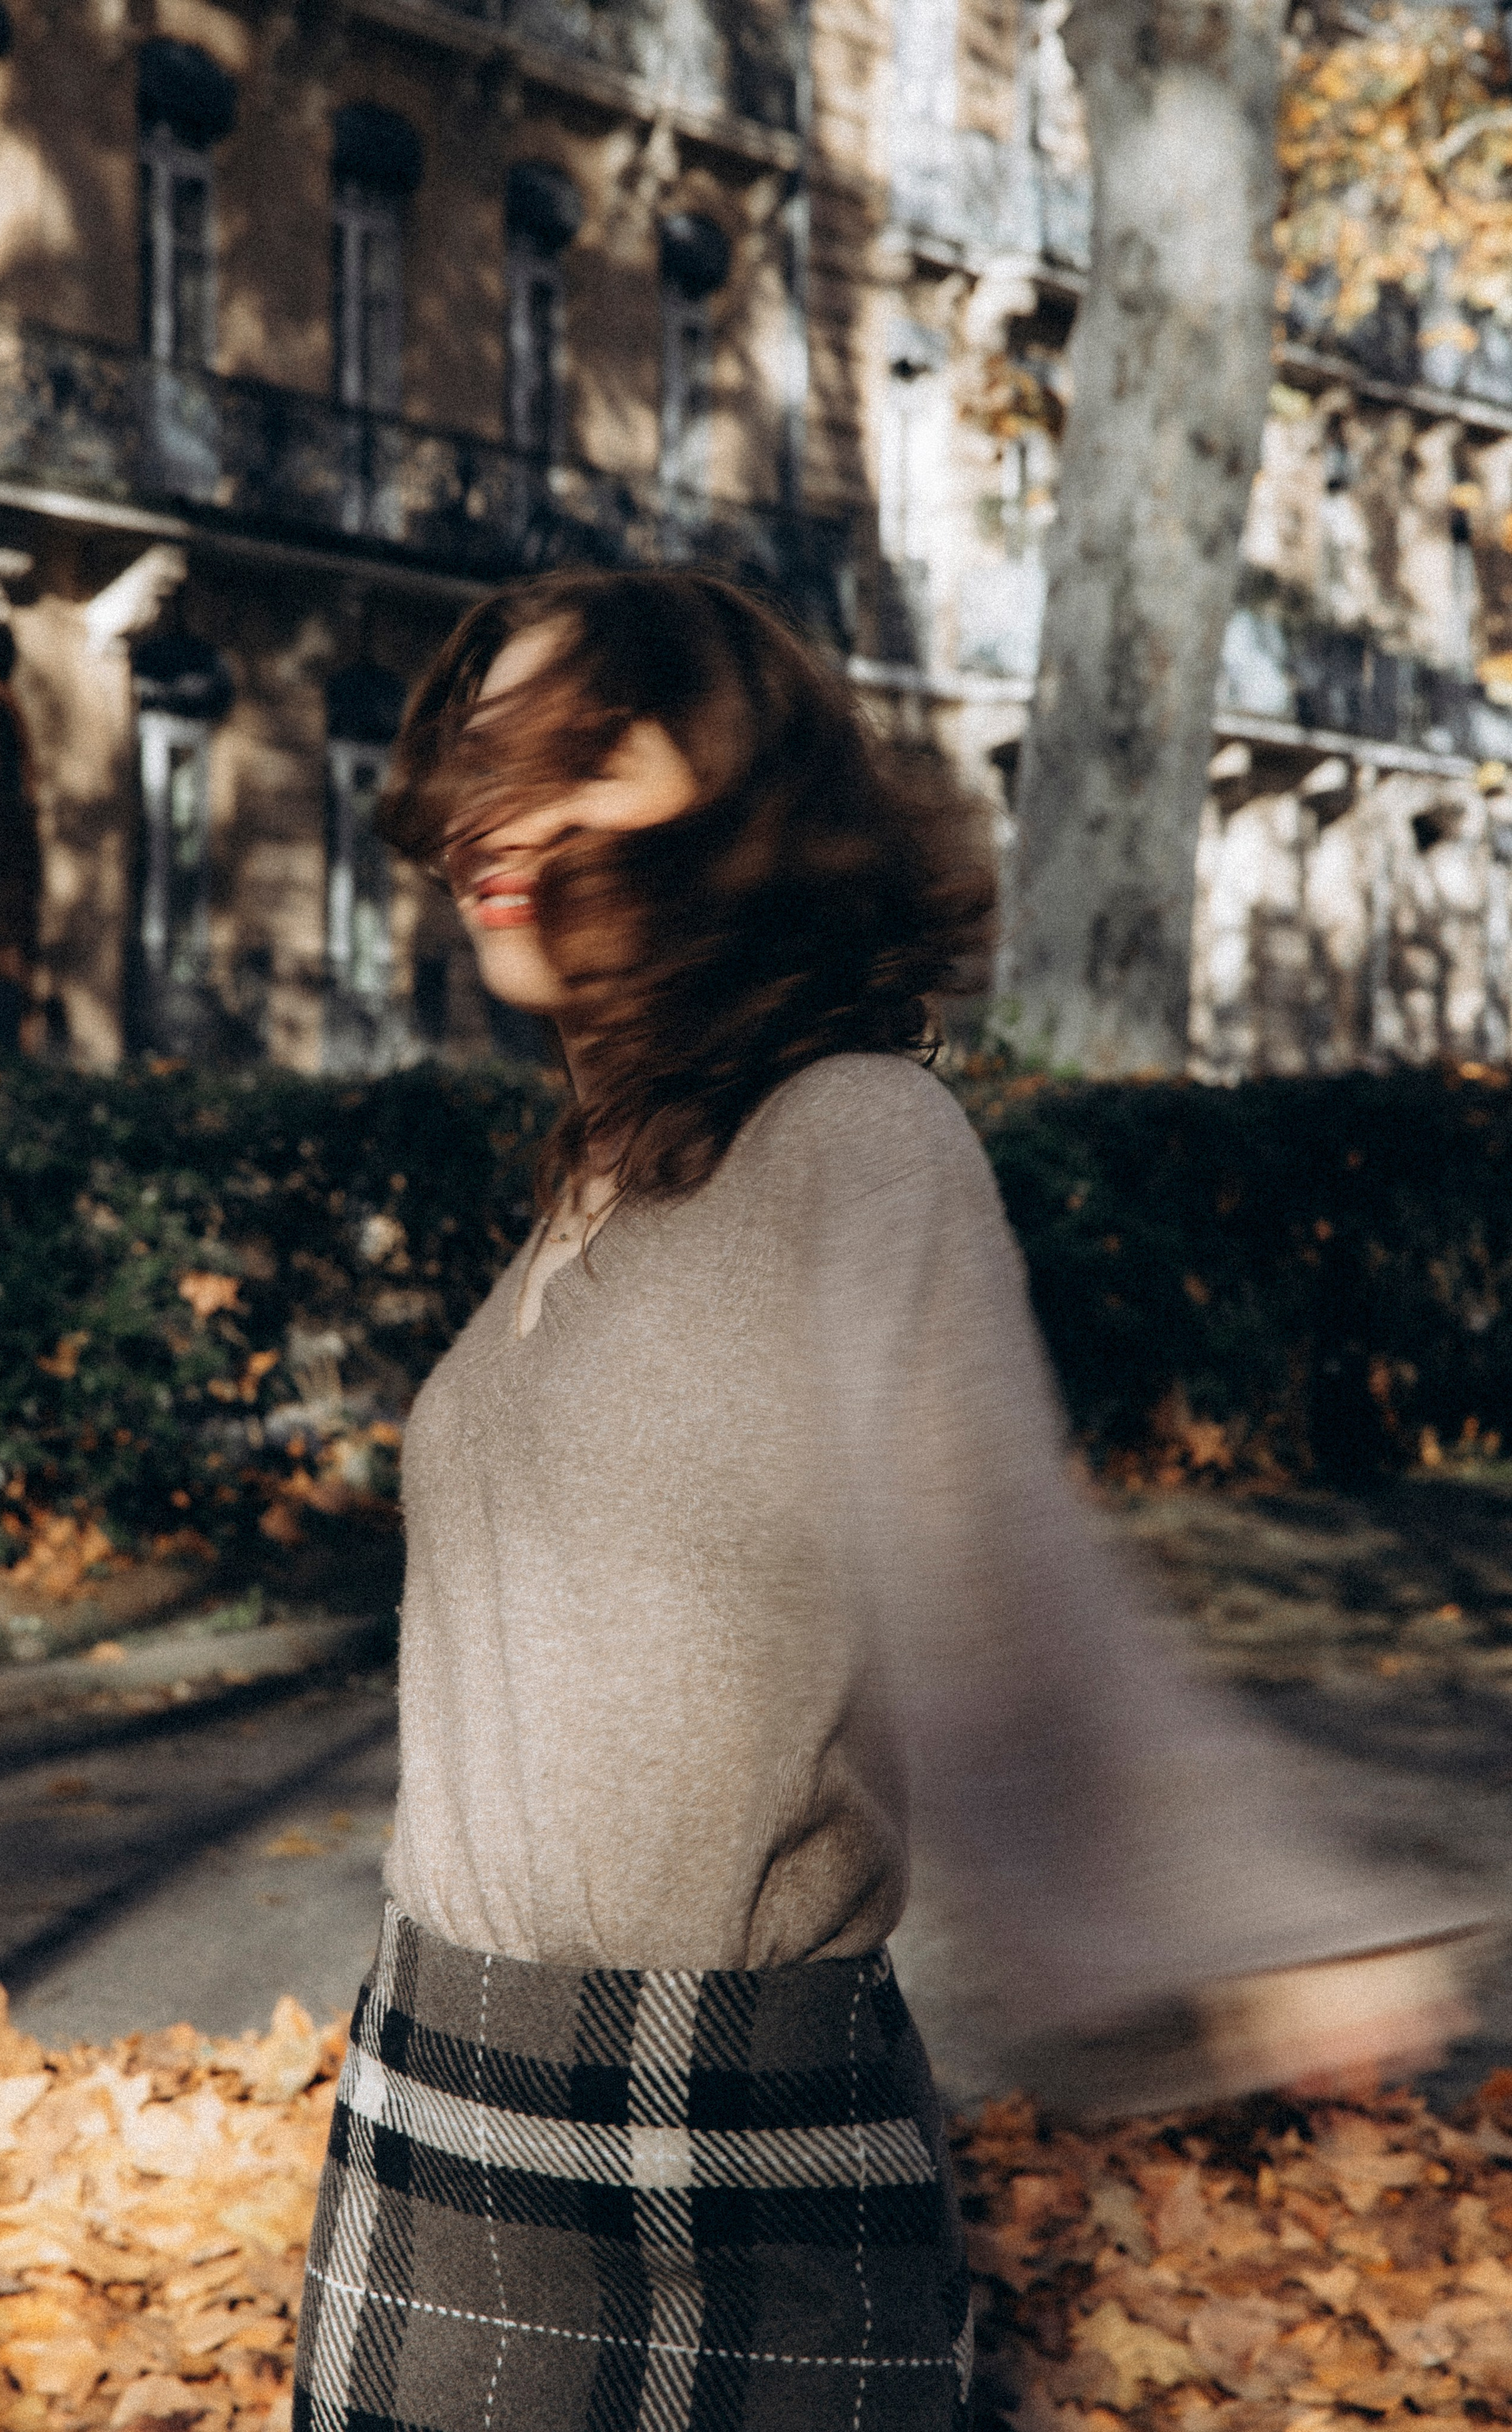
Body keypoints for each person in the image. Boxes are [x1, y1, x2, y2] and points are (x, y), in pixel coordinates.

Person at [294, 570, 1485, 2432]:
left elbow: (991, 1564)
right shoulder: (593, 1183)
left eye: (577, 751)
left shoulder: (854, 1135)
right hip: (434, 2098)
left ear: (740, 788)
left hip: (721, 2139)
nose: (494, 810)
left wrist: (1247, 1915)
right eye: (475, 752)